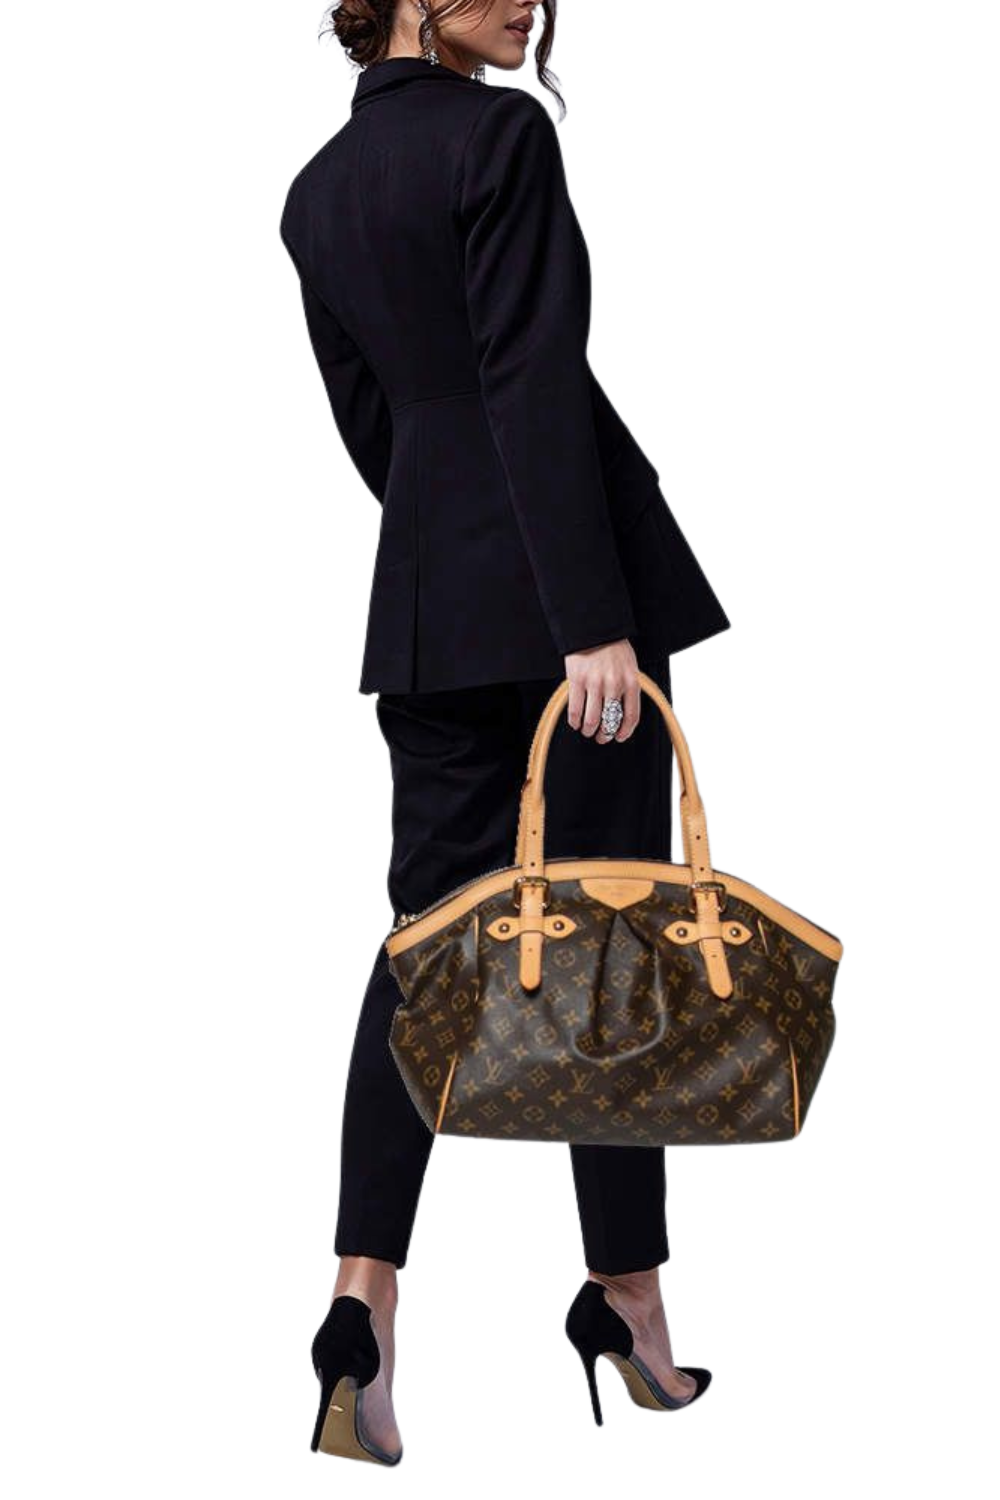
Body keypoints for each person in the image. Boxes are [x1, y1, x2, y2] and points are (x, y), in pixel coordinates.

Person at [279, 0, 729, 1463]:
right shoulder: (500, 136)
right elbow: (532, 370)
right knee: (613, 938)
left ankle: (359, 1308)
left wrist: (451, 551)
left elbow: (374, 426)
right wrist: (585, 616)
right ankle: (627, 1300)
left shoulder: (317, 192)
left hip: (431, 612)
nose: (530, 1)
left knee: (425, 942)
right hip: (565, 608)